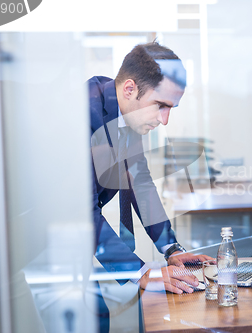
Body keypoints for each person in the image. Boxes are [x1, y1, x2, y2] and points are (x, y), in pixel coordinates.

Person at [89, 42, 211, 298]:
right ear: (130, 88)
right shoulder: (84, 115)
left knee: (99, 316)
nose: (164, 120)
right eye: (160, 105)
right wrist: (141, 271)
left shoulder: (125, 113)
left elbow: (140, 183)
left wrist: (172, 249)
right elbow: (80, 210)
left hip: (71, 237)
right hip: (29, 244)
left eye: (170, 109)